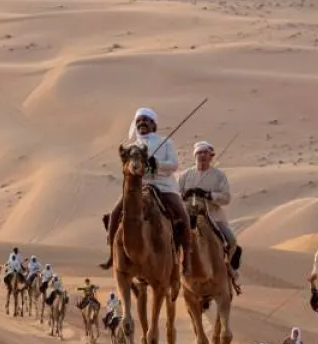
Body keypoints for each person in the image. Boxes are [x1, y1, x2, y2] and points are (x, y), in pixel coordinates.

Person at [100, 107, 192, 271]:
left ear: (153, 124)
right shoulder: (132, 146)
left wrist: (156, 164)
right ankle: (112, 255)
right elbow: (126, 168)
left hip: (164, 187)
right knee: (114, 214)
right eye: (138, 121)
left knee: (183, 216)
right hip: (138, 188)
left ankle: (186, 258)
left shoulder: (166, 143)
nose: (142, 123)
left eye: (145, 120)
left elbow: (174, 165)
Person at [178, 140, 241, 284]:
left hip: (214, 217)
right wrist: (184, 195)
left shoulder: (219, 175)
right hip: (189, 216)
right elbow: (177, 194)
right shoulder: (185, 175)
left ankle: (229, 267)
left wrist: (209, 195)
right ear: (195, 156)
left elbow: (226, 197)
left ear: (210, 156)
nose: (202, 156)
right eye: (199, 153)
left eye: (205, 152)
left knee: (231, 240)